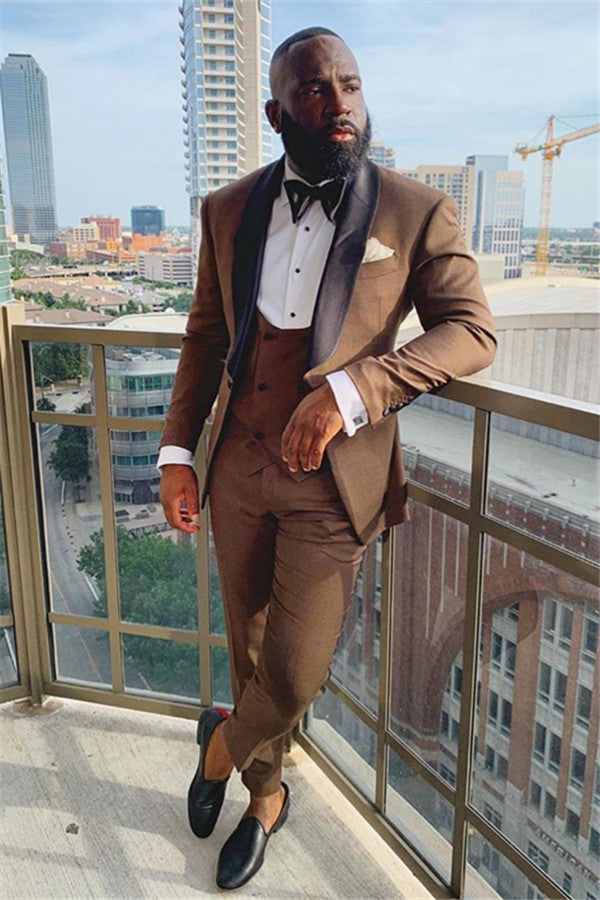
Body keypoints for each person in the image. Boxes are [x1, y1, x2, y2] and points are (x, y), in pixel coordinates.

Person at [158, 26, 496, 891]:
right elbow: (205, 335)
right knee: (248, 646)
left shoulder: (415, 210)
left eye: (349, 84)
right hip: (237, 466)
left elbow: (471, 331)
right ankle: (265, 797)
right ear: (277, 112)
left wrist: (357, 388)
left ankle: (220, 749)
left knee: (296, 667)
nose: (339, 103)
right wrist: (176, 451)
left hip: (334, 481)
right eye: (314, 89)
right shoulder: (227, 207)